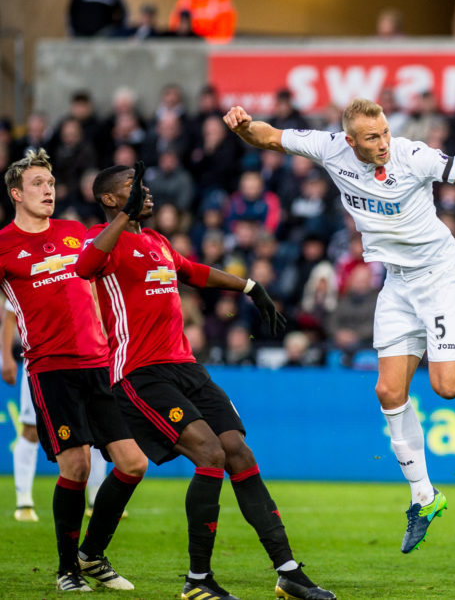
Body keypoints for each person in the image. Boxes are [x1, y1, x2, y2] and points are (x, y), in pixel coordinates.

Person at [223, 99, 455, 554]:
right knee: (387, 391)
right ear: (350, 141)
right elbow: (265, 136)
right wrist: (241, 125)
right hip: (398, 283)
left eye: (385, 132)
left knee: (449, 386)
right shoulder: (329, 149)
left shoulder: (413, 156)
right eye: (372, 137)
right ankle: (423, 496)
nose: (383, 143)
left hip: (441, 276)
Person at [76, 161, 334, 600]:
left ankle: (288, 571)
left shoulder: (156, 241)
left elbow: (192, 271)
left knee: (237, 450)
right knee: (209, 453)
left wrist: (250, 287)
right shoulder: (105, 244)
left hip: (187, 367)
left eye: (145, 186)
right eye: (133, 187)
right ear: (110, 199)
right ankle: (198, 582)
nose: (146, 193)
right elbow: (84, 267)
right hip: (140, 373)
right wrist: (123, 217)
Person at [0, 149, 146, 591]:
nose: (49, 190)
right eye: (39, 184)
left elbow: (98, 285)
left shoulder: (73, 232)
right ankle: (68, 569)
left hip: (98, 363)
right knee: (77, 467)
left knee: (133, 463)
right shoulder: (4, 244)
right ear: (16, 194)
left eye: (51, 183)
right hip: (51, 369)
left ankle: (91, 554)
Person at [3, 301, 39, 522]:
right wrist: (6, 357)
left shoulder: (84, 272)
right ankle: (24, 501)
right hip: (39, 360)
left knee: (91, 430)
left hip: (84, 360)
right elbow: (9, 316)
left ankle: (94, 501)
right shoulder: (28, 267)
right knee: (31, 429)